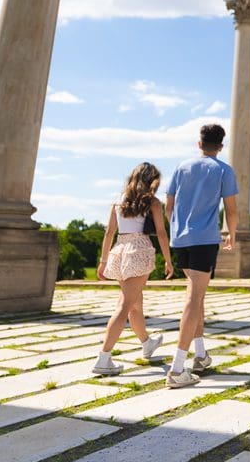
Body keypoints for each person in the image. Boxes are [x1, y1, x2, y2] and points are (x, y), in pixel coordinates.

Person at [164, 123, 237, 388]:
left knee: (198, 296)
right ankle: (176, 369)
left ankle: (201, 354)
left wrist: (176, 228)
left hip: (180, 239)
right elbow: (231, 209)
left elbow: (169, 204)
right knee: (193, 298)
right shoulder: (223, 170)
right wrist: (232, 233)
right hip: (205, 239)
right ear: (220, 146)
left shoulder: (182, 167)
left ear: (199, 144)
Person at [92, 161, 173, 376]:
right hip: (139, 249)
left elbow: (109, 233)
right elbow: (161, 233)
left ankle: (147, 343)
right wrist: (168, 260)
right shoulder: (153, 202)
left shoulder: (118, 202)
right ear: (152, 181)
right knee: (125, 304)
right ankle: (103, 358)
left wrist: (103, 260)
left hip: (119, 250)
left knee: (135, 303)